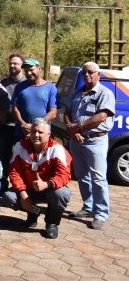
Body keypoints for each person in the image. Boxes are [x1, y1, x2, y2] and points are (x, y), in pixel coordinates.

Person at [64, 62, 115, 230]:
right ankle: (88, 207)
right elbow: (67, 113)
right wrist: (73, 132)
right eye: (84, 72)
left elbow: (101, 116)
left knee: (98, 178)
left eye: (90, 72)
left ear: (98, 74)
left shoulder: (105, 93)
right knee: (82, 175)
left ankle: (100, 214)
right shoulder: (77, 92)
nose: (87, 75)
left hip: (95, 140)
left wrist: (78, 127)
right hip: (77, 140)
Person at [2, 118, 72, 239]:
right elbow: (14, 172)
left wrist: (47, 184)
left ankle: (52, 224)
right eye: (34, 131)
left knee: (62, 194)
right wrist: (23, 194)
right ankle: (33, 213)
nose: (36, 135)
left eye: (40, 132)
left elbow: (64, 175)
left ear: (49, 134)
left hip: (49, 189)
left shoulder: (57, 149)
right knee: (9, 197)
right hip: (28, 190)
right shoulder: (20, 146)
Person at [0, 53, 24, 192]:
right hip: (5, 126)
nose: (12, 66)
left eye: (16, 63)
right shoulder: (3, 83)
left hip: (21, 128)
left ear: (22, 66)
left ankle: (19, 187)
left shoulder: (26, 83)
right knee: (3, 157)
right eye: (11, 63)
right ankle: (2, 186)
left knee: (20, 158)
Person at [12, 58, 57, 140]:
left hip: (42, 134)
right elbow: (15, 108)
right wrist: (23, 125)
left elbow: (53, 113)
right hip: (23, 132)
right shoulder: (19, 87)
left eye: (31, 70)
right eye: (26, 71)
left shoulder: (51, 88)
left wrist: (34, 126)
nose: (29, 73)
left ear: (39, 69)